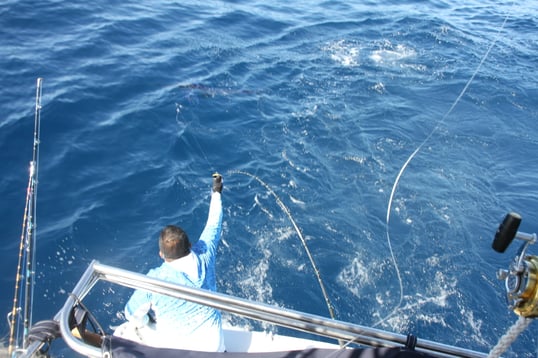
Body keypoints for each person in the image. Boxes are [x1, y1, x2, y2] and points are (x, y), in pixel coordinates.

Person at [122, 173, 225, 352]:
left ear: (161, 255)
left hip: (180, 352)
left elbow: (130, 312)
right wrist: (216, 192)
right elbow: (214, 223)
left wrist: (147, 320)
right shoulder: (204, 253)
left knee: (137, 326)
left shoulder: (155, 279)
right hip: (215, 347)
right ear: (191, 245)